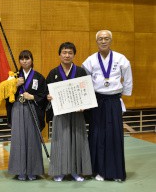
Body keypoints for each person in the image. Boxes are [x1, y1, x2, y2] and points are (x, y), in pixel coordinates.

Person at [82, 30, 133, 182]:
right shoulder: (90, 60)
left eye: (106, 38)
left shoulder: (121, 59)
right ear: (96, 41)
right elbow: (84, 81)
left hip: (113, 101)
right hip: (97, 101)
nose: (103, 41)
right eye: (100, 39)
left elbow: (128, 79)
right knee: (97, 135)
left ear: (111, 41)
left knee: (115, 135)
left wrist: (122, 94)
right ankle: (98, 170)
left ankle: (116, 172)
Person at [46, 42, 92, 182]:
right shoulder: (53, 73)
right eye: (64, 52)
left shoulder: (80, 72)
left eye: (70, 53)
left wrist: (85, 104)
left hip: (77, 113)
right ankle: (59, 171)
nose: (67, 55)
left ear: (74, 55)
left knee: (77, 141)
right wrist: (48, 97)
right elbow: (46, 93)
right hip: (60, 114)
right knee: (60, 142)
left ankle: (75, 171)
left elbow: (87, 92)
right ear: (59, 54)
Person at [6, 50, 47, 181]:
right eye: (22, 59)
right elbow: (6, 94)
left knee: (32, 139)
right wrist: (14, 85)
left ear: (31, 60)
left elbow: (44, 95)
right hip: (18, 109)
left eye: (27, 58)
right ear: (19, 61)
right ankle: (20, 171)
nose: (24, 61)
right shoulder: (13, 77)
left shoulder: (39, 77)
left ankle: (33, 171)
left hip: (33, 109)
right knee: (19, 139)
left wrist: (32, 96)